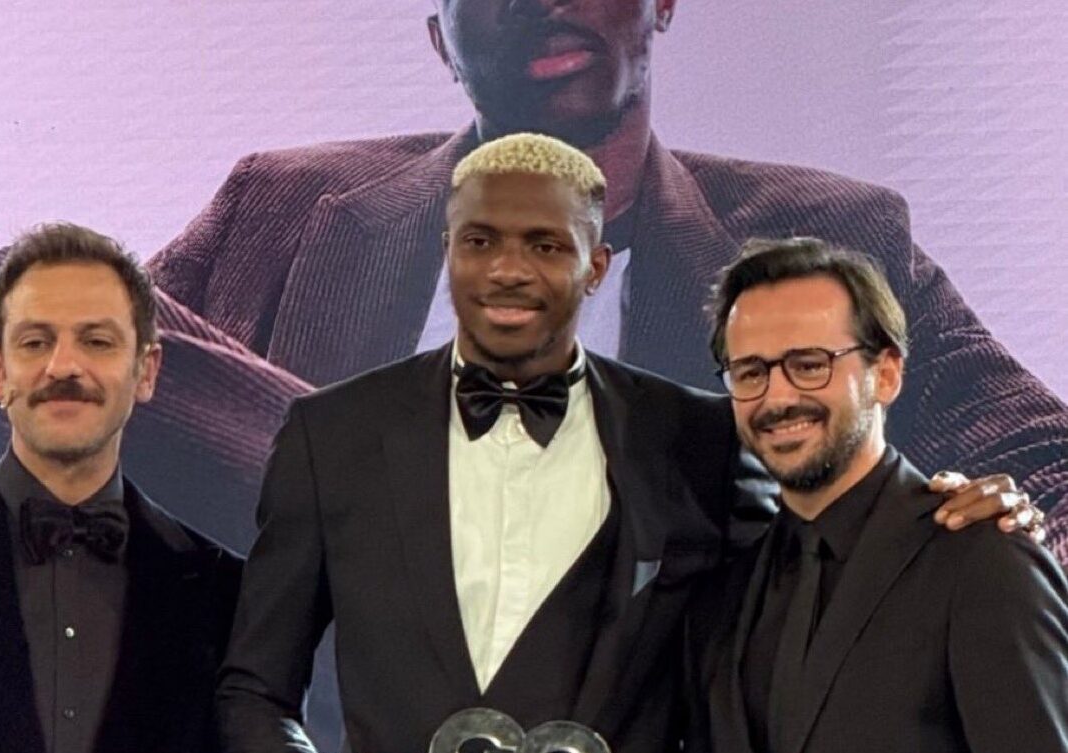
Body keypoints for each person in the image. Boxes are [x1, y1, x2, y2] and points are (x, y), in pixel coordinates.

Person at [138, 0, 1068, 560]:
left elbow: (1046, 462)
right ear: (440, 41)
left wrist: (1009, 544)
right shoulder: (284, 204)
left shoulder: (832, 234)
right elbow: (81, 351)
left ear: (660, 2)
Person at [216, 135, 1034, 753]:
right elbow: (255, 687)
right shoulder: (331, 433)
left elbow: (813, 573)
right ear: (447, 251)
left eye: (545, 244)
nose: (508, 270)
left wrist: (973, 511)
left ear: (597, 265)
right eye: (480, 240)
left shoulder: (695, 436)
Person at [686, 238, 1068, 753]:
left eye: (809, 364)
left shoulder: (984, 559)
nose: (777, 397)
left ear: (886, 374)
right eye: (751, 372)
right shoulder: (721, 596)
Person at [0, 224, 242, 753]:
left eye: (97, 341)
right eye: (36, 342)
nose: (63, 367)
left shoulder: (229, 595)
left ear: (146, 371)